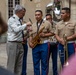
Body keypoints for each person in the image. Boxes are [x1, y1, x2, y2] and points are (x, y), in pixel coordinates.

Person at [6, 5, 31, 75]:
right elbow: (16, 30)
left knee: (19, 65)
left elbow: (19, 33)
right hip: (13, 44)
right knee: (11, 64)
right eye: (23, 12)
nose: (24, 14)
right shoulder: (12, 19)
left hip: (20, 43)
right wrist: (26, 25)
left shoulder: (19, 20)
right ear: (19, 12)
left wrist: (27, 31)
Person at [29, 10, 54, 75]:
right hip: (35, 46)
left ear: (42, 15)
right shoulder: (33, 24)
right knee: (35, 63)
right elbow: (31, 35)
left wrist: (44, 35)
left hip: (44, 44)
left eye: (38, 15)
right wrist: (30, 42)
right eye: (36, 15)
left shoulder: (47, 23)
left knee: (44, 63)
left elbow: (52, 33)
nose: (37, 16)